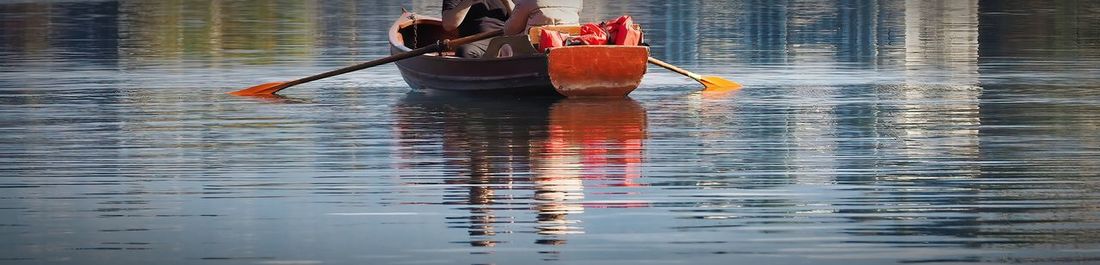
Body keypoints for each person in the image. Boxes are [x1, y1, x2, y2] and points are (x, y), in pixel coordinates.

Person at [442, 0, 514, 58]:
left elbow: (520, 21)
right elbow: (448, 25)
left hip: (504, 37)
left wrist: (507, 1)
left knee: (521, 44)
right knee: (465, 51)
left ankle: (503, 53)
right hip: (476, 42)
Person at [503, 0, 582, 35]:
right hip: (567, 47)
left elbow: (509, 31)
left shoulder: (527, 1)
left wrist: (507, 2)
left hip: (535, 52)